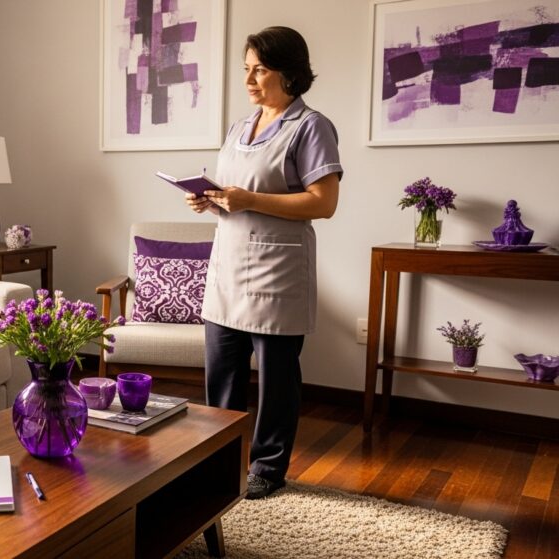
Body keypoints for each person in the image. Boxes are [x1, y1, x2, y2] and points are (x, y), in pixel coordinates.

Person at [186, 26, 343, 500]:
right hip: (228, 269)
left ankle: (268, 468)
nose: (250, 80)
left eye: (260, 70)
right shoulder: (239, 128)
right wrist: (210, 201)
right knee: (222, 374)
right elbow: (234, 198)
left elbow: (324, 202)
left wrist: (246, 198)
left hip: (277, 273)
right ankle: (219, 457)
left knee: (276, 380)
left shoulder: (310, 127)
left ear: (289, 73)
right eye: (246, 70)